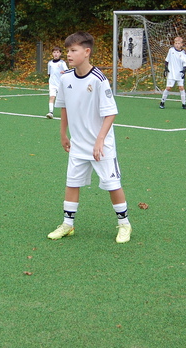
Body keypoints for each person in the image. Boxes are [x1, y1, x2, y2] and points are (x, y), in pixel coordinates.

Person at [47, 31, 132, 244]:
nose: (68, 54)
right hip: (78, 144)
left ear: (86, 52)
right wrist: (63, 134)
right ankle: (68, 224)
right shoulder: (65, 78)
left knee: (112, 184)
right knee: (72, 183)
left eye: (73, 50)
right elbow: (64, 107)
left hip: (101, 146)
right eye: (67, 50)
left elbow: (110, 113)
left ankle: (124, 224)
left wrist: (100, 140)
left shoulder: (99, 79)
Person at [159, 36, 186, 110]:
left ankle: (184, 104)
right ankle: (162, 102)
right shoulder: (171, 50)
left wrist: (184, 71)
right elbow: (167, 60)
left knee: (181, 88)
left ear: (181, 44)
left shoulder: (184, 54)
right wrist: (166, 69)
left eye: (179, 43)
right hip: (171, 73)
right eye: (176, 43)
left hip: (179, 73)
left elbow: (185, 64)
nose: (177, 45)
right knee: (168, 88)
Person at [45, 46, 68, 119]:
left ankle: (68, 112)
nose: (56, 54)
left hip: (60, 84)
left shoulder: (62, 63)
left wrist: (64, 72)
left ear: (60, 54)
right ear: (52, 53)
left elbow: (67, 71)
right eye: (54, 52)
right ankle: (50, 112)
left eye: (57, 52)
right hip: (52, 84)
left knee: (64, 99)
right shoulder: (50, 63)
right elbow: (49, 73)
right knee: (52, 97)